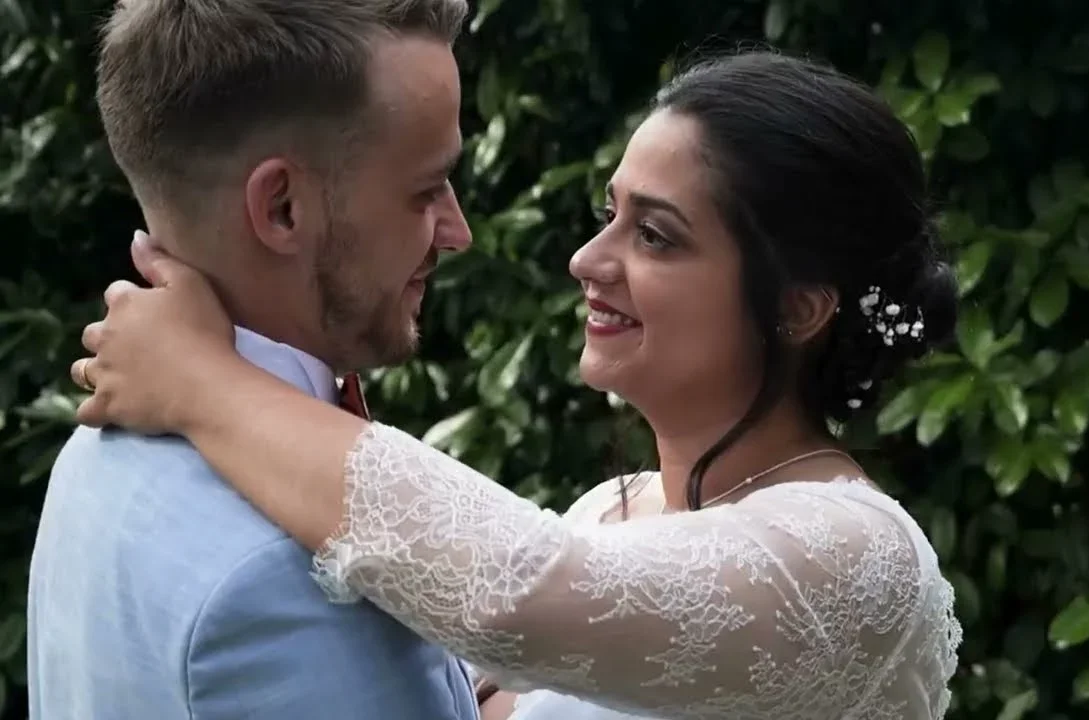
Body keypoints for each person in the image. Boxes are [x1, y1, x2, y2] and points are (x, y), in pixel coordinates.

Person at [71, 50, 964, 720]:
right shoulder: (606, 513)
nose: (587, 260)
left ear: (800, 308)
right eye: (606, 215)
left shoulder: (859, 559)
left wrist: (204, 382)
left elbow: (513, 592)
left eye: (655, 236)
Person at [27, 1, 479, 719]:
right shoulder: (287, 573)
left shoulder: (91, 456)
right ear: (282, 209)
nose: (458, 233)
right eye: (425, 191)